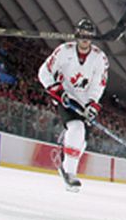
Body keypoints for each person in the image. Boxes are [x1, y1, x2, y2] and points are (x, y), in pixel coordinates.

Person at [37, 18, 109, 192]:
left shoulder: (99, 58)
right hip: (66, 97)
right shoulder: (64, 51)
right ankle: (70, 173)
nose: (85, 38)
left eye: (88, 35)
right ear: (77, 34)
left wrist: (92, 104)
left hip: (85, 102)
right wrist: (56, 89)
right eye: (82, 34)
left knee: (82, 141)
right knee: (77, 128)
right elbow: (44, 72)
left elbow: (98, 84)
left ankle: (67, 162)